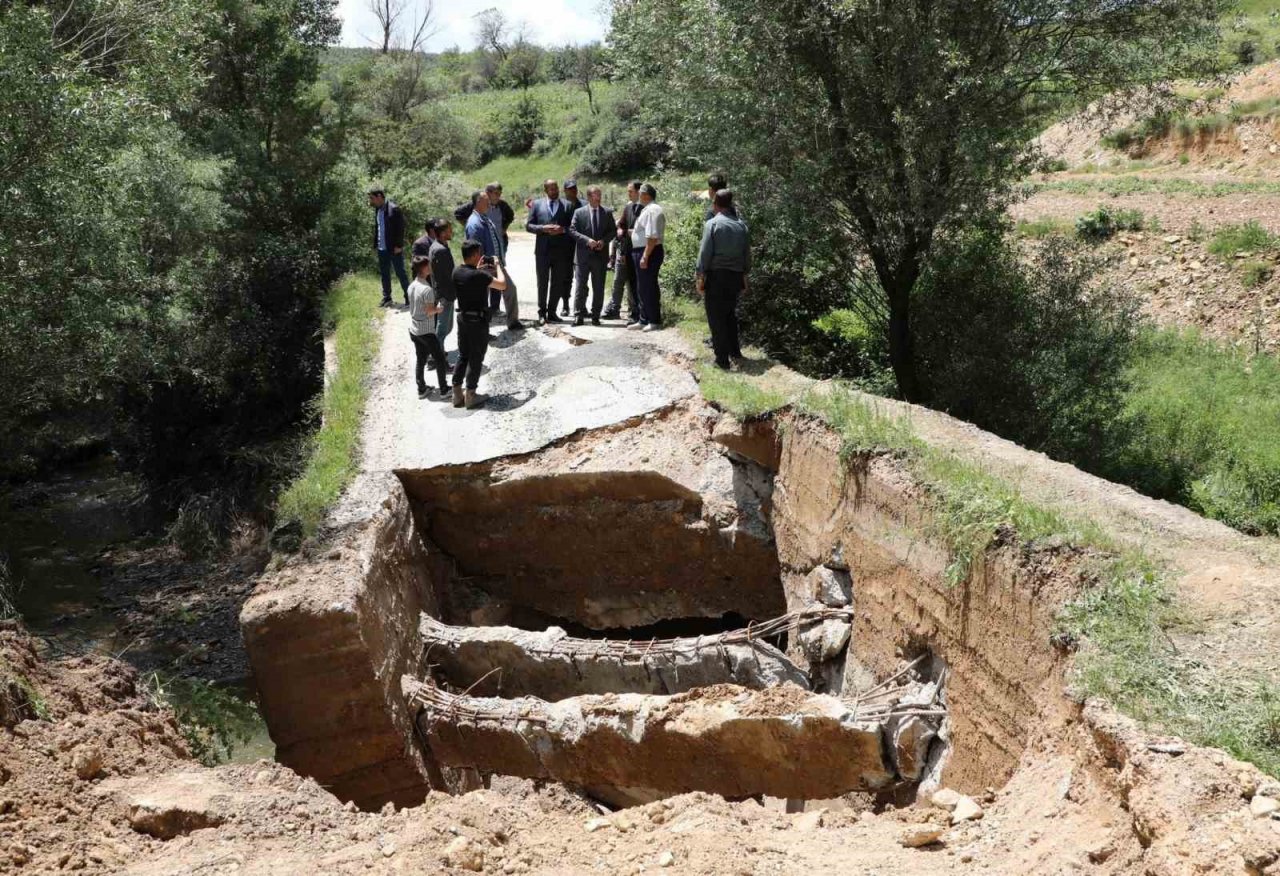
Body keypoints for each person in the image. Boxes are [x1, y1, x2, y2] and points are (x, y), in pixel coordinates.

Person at [696, 189, 751, 370]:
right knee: (729, 314)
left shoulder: (712, 224)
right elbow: (747, 255)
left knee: (716, 317)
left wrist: (700, 276)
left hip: (717, 275)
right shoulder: (741, 225)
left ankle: (722, 359)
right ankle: (735, 351)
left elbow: (705, 254)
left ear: (715, 204)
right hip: (735, 276)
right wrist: (744, 277)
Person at [451, 239, 509, 409]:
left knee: (463, 355)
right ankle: (471, 394)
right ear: (476, 254)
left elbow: (470, 279)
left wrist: (480, 270)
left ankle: (456, 393)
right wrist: (498, 266)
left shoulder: (457, 271)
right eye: (480, 252)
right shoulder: (480, 276)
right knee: (476, 357)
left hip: (462, 318)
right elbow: (502, 285)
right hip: (477, 321)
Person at [465, 190, 522, 331]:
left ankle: (513, 322)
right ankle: (482, 330)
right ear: (478, 202)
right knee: (482, 299)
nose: (489, 203)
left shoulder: (484, 217)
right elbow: (474, 250)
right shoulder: (474, 223)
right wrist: (481, 268)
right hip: (485, 267)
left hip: (495, 265)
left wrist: (499, 262)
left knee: (510, 289)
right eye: (486, 200)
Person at [525, 179, 573, 324]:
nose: (555, 191)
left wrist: (562, 230)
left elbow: (573, 227)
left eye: (556, 188)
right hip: (542, 251)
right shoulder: (537, 205)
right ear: (545, 191)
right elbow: (528, 226)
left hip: (560, 251)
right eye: (551, 189)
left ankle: (552, 312)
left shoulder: (568, 205)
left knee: (557, 282)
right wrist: (543, 229)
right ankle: (542, 313)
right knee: (542, 282)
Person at [568, 185, 616, 326]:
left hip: (600, 256)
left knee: (599, 287)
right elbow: (572, 230)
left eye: (600, 195)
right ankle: (578, 315)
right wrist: (587, 241)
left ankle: (596, 315)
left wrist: (603, 241)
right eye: (596, 195)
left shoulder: (606, 212)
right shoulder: (579, 212)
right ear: (589, 197)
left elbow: (612, 231)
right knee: (580, 286)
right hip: (583, 256)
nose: (599, 197)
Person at [407, 255, 449, 399]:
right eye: (429, 265)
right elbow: (429, 311)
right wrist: (439, 309)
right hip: (426, 331)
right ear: (424, 268)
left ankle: (422, 389)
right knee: (440, 359)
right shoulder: (427, 289)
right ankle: (444, 390)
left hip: (414, 330)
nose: (431, 267)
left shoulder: (412, 285)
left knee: (420, 359)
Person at [605, 180, 643, 323]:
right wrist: (620, 230)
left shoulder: (645, 209)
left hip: (638, 251)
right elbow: (621, 224)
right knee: (619, 281)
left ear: (639, 192)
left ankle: (635, 312)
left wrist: (625, 231)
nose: (628, 194)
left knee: (634, 284)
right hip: (624, 249)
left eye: (630, 191)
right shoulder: (628, 207)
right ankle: (615, 308)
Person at [630, 183, 665, 332]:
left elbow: (652, 236)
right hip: (643, 250)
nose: (638, 196)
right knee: (642, 287)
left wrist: (645, 256)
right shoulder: (649, 209)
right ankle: (644, 319)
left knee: (648, 287)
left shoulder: (652, 210)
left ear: (645, 195)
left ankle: (654, 320)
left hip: (648, 251)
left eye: (640, 193)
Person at [368, 187, 408, 308]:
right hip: (382, 248)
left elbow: (401, 228)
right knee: (385, 273)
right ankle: (387, 298)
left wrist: (399, 246)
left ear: (380, 196)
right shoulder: (377, 210)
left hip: (393, 248)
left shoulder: (394, 209)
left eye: (372, 198)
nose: (371, 201)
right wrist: (376, 244)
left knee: (400, 272)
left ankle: (409, 297)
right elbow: (379, 228)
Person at [429, 218, 457, 360]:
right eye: (449, 230)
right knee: (442, 330)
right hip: (444, 295)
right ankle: (437, 358)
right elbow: (449, 275)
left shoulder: (440, 246)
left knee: (447, 328)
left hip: (445, 294)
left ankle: (438, 352)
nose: (451, 232)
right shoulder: (439, 250)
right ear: (442, 233)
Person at [493, 183, 515, 251]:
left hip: (501, 239)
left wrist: (504, 228)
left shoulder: (503, 205)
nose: (498, 196)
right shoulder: (481, 202)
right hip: (485, 239)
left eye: (499, 194)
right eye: (496, 193)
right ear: (489, 192)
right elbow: (459, 213)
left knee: (501, 260)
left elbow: (511, 216)